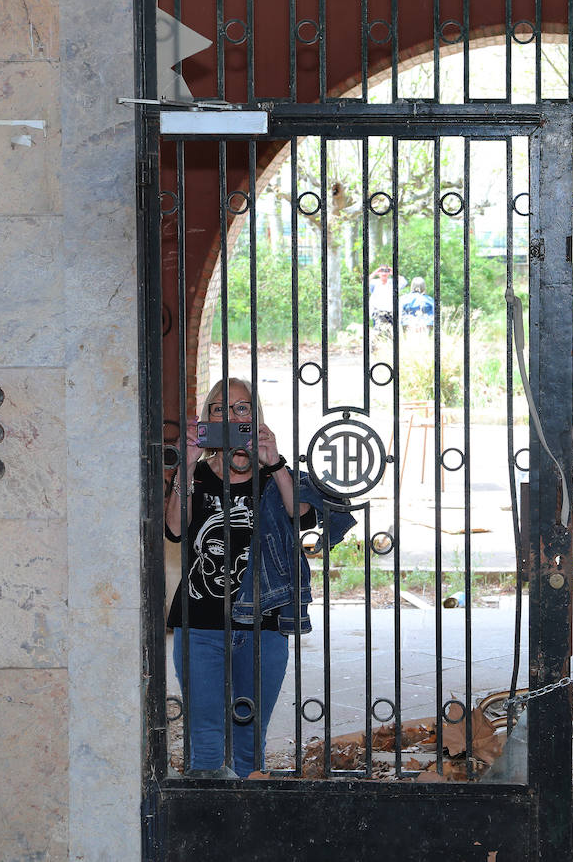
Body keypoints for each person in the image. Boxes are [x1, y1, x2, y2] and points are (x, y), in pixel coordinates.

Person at [165, 377, 354, 777]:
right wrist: (186, 464)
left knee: (251, 737)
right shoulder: (196, 476)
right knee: (205, 739)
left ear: (255, 417)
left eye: (241, 409)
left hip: (263, 624)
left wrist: (276, 462)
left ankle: (248, 825)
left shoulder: (274, 475)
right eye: (220, 409)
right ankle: (204, 824)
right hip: (199, 623)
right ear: (208, 418)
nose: (231, 416)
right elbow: (176, 530)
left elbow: (299, 516)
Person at [368, 265, 398, 331]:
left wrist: (393, 272)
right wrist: (376, 272)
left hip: (390, 312)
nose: (384, 273)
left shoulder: (392, 282)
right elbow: (364, 282)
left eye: (386, 271)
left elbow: (403, 282)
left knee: (391, 333)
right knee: (378, 333)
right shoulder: (374, 283)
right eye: (382, 271)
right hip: (378, 312)